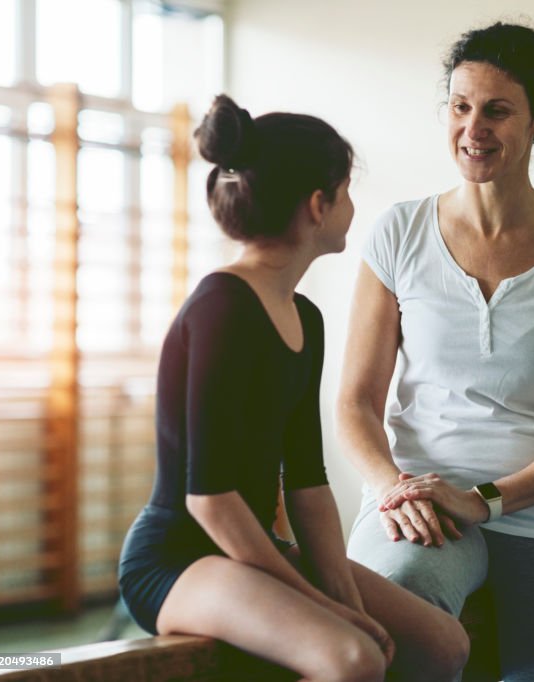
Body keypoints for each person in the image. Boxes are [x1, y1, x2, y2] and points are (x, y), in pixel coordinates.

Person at [118, 95, 469, 682]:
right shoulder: (221, 308)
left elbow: (307, 483)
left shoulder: (305, 317)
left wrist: (348, 600)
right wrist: (327, 609)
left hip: (255, 550)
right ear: (318, 205)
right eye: (346, 189)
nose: (351, 205)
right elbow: (209, 497)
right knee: (350, 658)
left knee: (443, 643)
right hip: (180, 558)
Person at [338, 22, 534, 681]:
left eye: (498, 110)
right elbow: (355, 402)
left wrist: (488, 499)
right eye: (461, 106)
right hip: (423, 510)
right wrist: (393, 489)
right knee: (394, 627)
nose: (474, 128)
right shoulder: (399, 233)